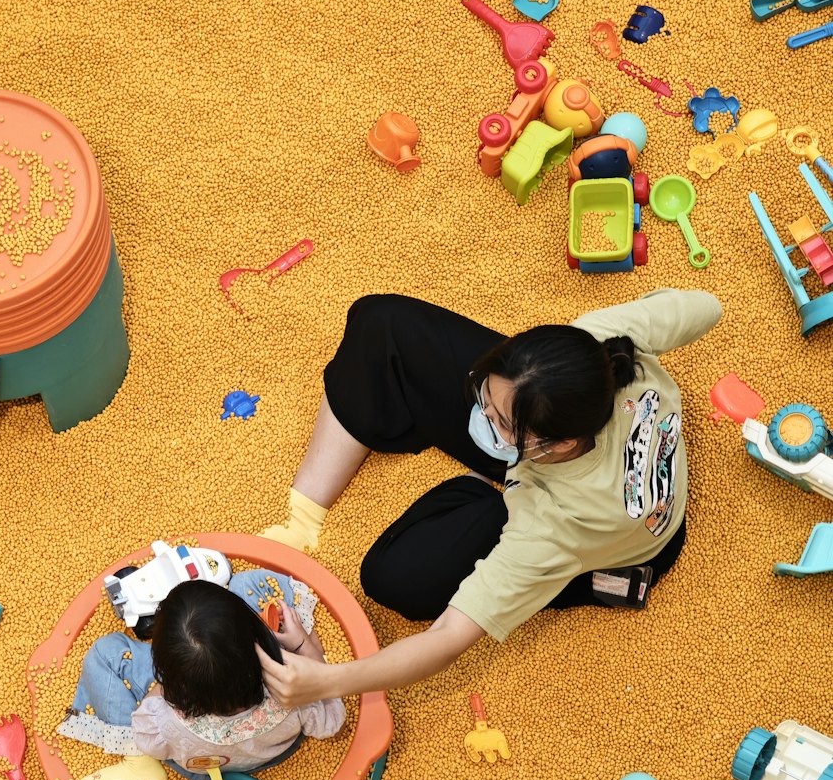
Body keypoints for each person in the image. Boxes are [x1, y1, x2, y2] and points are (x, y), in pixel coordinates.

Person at [258, 288, 722, 707]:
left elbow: (447, 636)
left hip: (615, 540)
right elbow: (708, 307)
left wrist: (326, 681)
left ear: (554, 445)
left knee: (393, 578)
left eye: (499, 421)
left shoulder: (556, 525)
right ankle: (304, 514)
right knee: (381, 324)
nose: (482, 416)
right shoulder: (598, 350)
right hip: (594, 466)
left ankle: (556, 554)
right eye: (487, 394)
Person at [57, 573, 345, 780]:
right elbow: (332, 715)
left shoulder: (163, 721)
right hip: (272, 750)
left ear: (166, 672)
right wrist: (301, 644)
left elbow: (146, 737)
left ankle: (136, 762)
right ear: (256, 641)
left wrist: (164, 689)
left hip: (204, 766)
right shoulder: (294, 691)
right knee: (250, 582)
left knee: (105, 653)